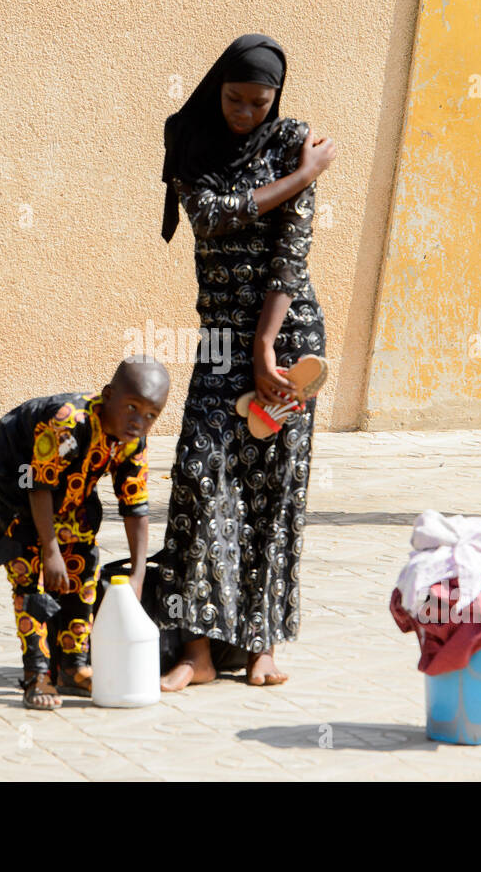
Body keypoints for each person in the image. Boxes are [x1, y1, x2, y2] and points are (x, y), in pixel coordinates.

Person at [155, 34, 337, 690]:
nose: (245, 112)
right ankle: (196, 652)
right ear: (217, 88)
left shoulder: (292, 136)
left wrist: (267, 341)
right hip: (221, 337)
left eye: (259, 102)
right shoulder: (190, 137)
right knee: (201, 479)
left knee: (275, 484)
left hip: (287, 332)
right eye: (235, 98)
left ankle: (262, 645)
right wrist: (304, 177)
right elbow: (209, 216)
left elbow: (293, 249)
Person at [0, 358, 169, 710]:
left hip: (67, 498)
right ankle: (38, 675)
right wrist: (50, 550)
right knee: (29, 573)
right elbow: (38, 484)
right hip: (11, 493)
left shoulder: (132, 440)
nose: (139, 421)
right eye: (131, 407)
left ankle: (74, 667)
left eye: (151, 415)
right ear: (108, 396)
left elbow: (135, 505)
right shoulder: (69, 422)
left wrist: (138, 574)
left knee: (85, 566)